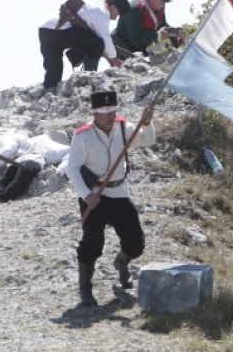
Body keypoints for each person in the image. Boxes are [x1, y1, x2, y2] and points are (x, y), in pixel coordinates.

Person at [65, 90, 155, 307]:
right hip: (94, 195)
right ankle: (85, 289)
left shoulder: (124, 127)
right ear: (94, 113)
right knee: (92, 243)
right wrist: (86, 196)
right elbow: (72, 168)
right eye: (105, 112)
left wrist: (148, 123)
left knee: (136, 243)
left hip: (119, 192)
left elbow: (148, 140)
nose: (110, 116)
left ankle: (122, 262)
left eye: (112, 111)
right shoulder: (82, 134)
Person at [39, 0, 131, 92]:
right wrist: (118, 63)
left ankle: (49, 91)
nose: (114, 18)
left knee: (54, 69)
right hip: (61, 31)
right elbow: (106, 42)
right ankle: (89, 80)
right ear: (113, 7)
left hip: (45, 30)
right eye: (117, 14)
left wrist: (108, 57)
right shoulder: (102, 12)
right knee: (98, 43)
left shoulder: (96, 2)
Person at [0, 133, 70, 202]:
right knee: (19, 181)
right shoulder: (55, 147)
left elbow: (6, 151)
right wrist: (61, 170)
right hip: (33, 162)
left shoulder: (25, 141)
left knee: (5, 179)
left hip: (19, 160)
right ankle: (3, 197)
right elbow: (70, 152)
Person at [112, 0, 185, 59]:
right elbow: (135, 38)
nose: (163, 4)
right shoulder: (135, 8)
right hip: (122, 47)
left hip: (141, 48)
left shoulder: (159, 6)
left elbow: (162, 25)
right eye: (162, 0)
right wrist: (158, 36)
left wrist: (175, 33)